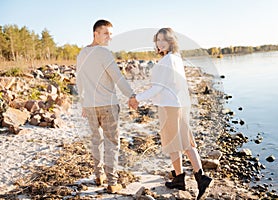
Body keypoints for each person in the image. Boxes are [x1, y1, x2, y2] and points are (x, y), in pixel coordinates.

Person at [135, 28, 212, 199]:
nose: (160, 43)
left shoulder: (168, 60)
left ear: (171, 42)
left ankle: (200, 177)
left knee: (180, 143)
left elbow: (158, 87)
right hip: (180, 104)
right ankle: (180, 178)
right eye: (158, 40)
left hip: (171, 107)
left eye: (164, 40)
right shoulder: (175, 58)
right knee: (181, 142)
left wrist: (137, 99)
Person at [76, 19, 138, 193]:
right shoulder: (103, 53)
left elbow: (79, 81)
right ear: (95, 33)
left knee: (97, 141)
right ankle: (112, 182)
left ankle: (99, 175)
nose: (109, 37)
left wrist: (83, 103)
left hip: (90, 106)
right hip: (108, 105)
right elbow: (118, 77)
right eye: (105, 33)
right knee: (112, 143)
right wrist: (132, 96)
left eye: (111, 34)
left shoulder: (81, 54)